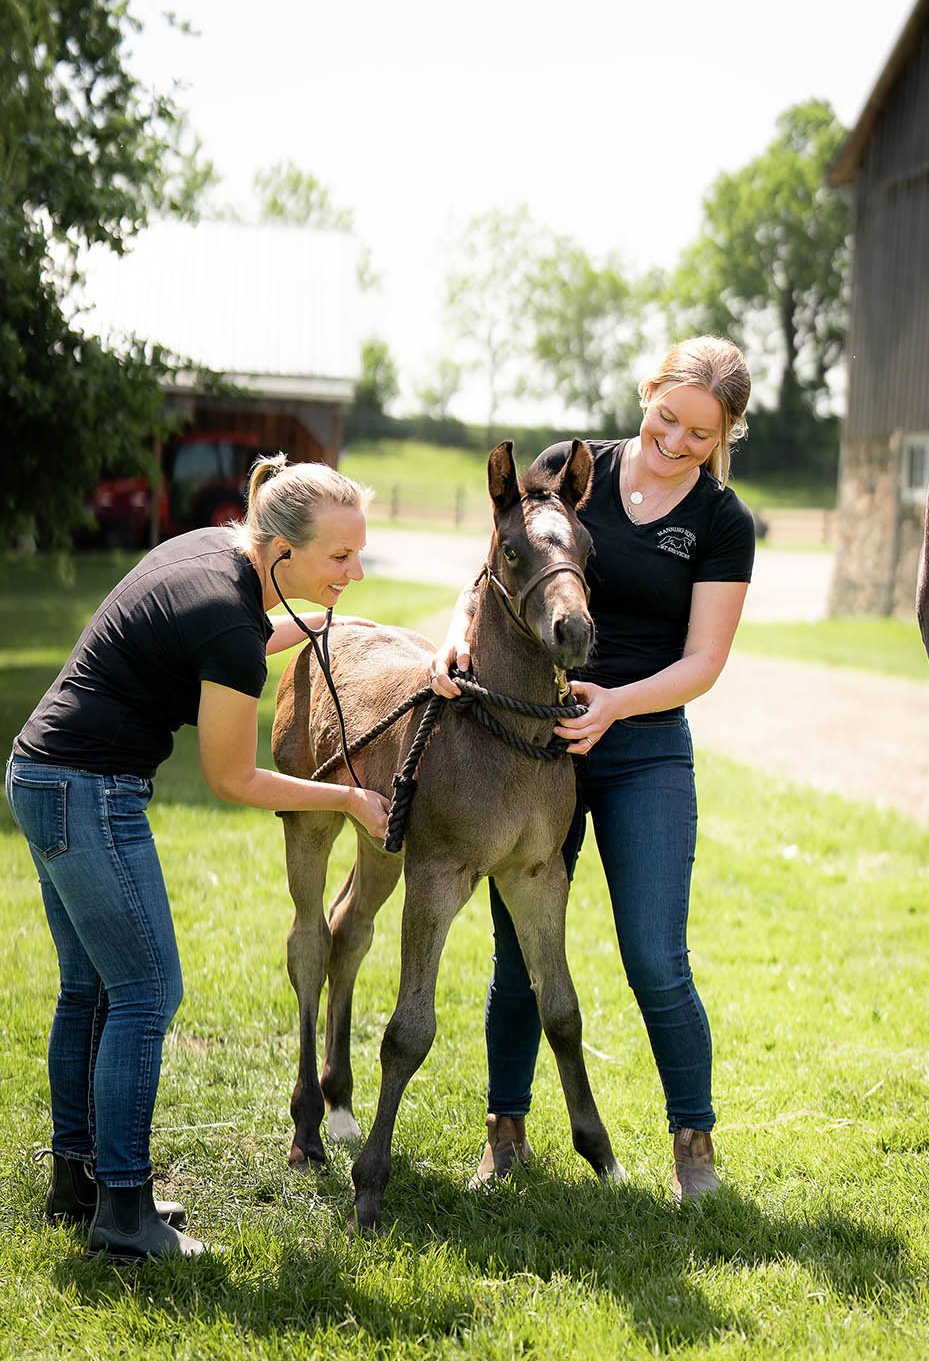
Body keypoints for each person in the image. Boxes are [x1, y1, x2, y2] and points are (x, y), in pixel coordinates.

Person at [6, 455, 390, 1261]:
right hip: (90, 791)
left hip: (43, 774)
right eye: (340, 556)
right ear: (282, 551)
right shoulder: (226, 615)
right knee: (147, 990)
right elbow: (231, 778)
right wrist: (353, 799)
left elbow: (235, 638)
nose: (354, 571)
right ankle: (124, 1215)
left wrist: (322, 626)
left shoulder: (218, 553)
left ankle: (80, 1183)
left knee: (91, 987)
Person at [430, 335, 755, 1201]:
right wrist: (456, 634)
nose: (676, 440)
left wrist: (615, 704)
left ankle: (694, 1150)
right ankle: (506, 1133)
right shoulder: (569, 470)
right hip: (531, 740)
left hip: (643, 746)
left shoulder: (722, 522)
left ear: (726, 433)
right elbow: (496, 569)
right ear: (647, 394)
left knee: (656, 956)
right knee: (518, 953)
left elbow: (704, 660)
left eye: (701, 432)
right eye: (667, 417)